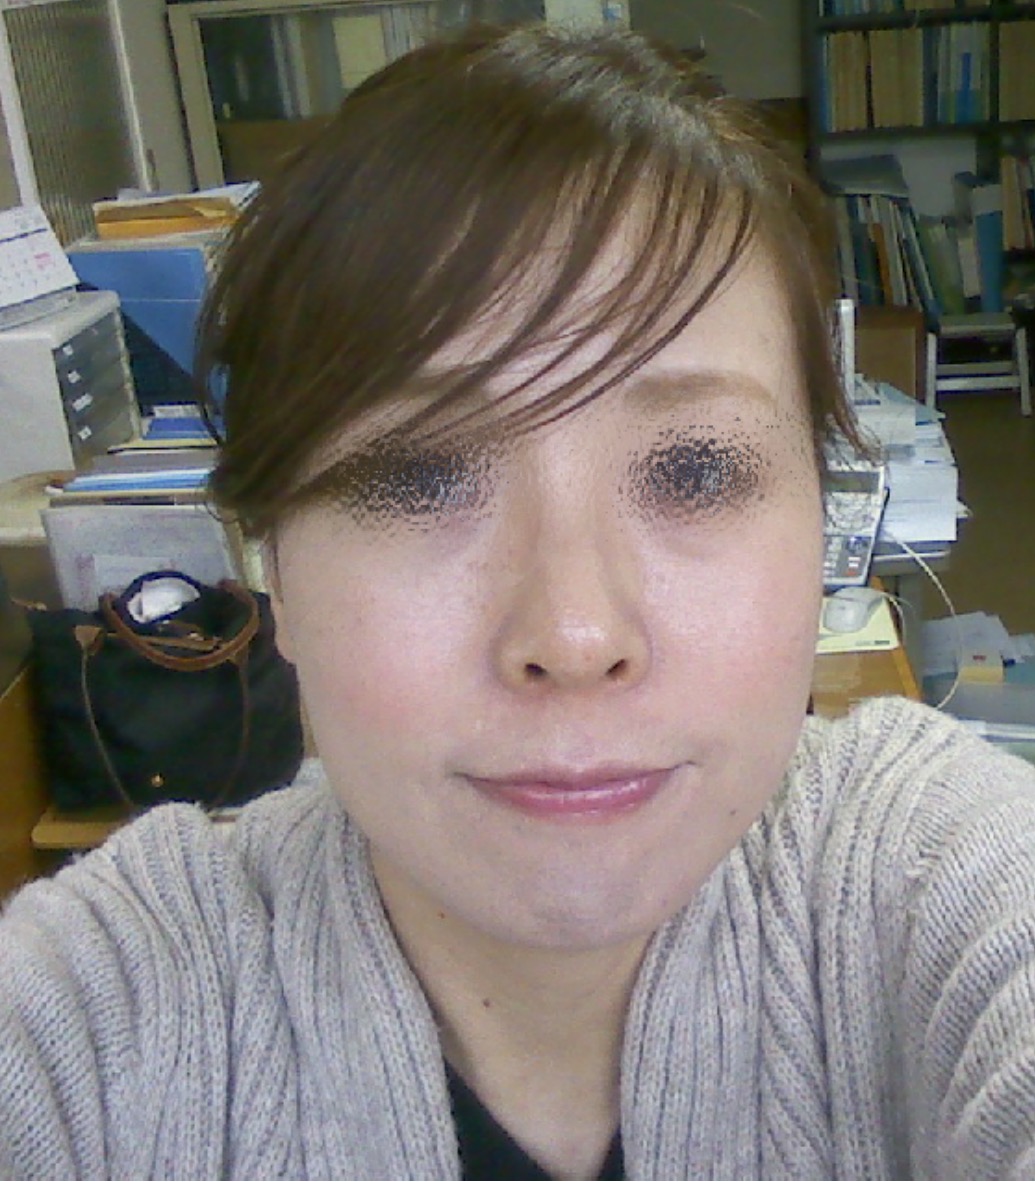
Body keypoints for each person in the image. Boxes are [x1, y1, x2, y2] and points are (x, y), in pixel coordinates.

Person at [3, 22, 1035, 1182]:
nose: (576, 635)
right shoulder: (92, 1014)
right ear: (270, 560)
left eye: (695, 469)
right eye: (415, 478)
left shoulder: (938, 877)